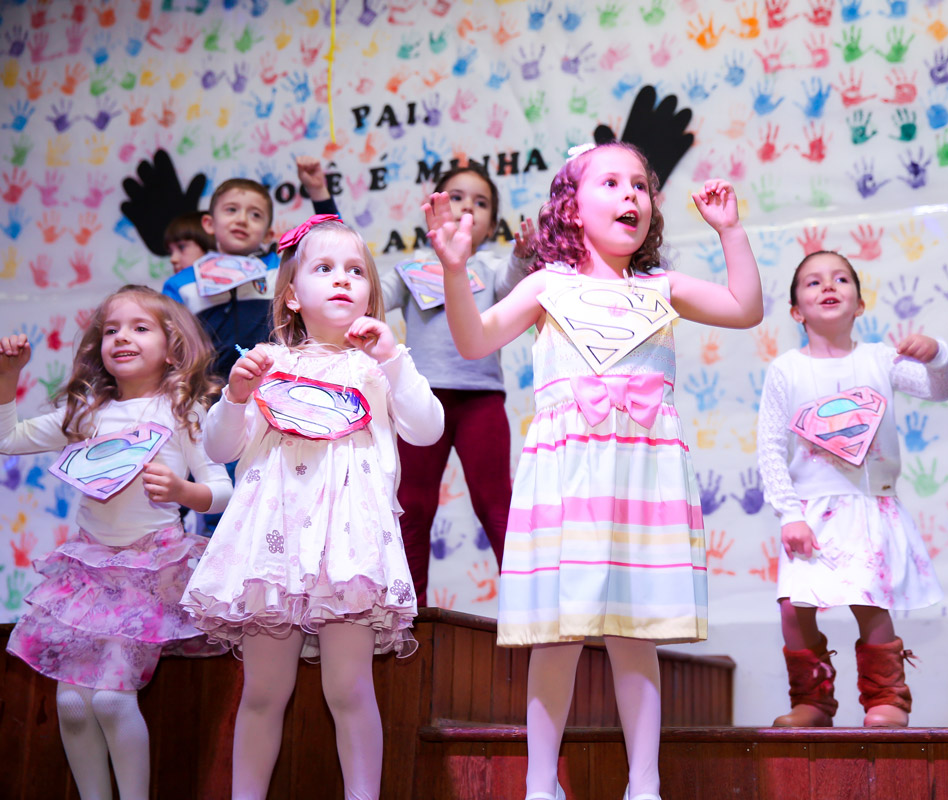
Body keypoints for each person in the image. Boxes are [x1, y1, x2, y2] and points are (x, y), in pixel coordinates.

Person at [425, 141, 763, 800]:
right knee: (559, 637)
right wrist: (455, 270)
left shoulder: (660, 288)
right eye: (610, 182)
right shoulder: (547, 284)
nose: (630, 194)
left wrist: (730, 230)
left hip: (644, 480)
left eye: (639, 184)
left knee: (636, 636)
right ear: (572, 208)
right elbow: (473, 340)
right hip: (570, 481)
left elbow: (744, 308)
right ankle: (540, 784)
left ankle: (644, 784)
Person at [181, 216, 444, 798]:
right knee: (262, 693)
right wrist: (235, 397)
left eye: (355, 271)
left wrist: (395, 358)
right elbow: (219, 449)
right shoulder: (266, 363)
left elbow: (427, 430)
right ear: (293, 296)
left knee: (349, 690)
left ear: (371, 294)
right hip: (272, 548)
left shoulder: (379, 365)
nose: (342, 279)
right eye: (324, 269)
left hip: (348, 548)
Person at [0, 285, 233, 800]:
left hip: (149, 570)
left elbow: (222, 490)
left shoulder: (184, 410)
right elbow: (6, 440)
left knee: (110, 700)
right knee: (71, 705)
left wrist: (183, 492)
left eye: (139, 327)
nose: (122, 337)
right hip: (88, 573)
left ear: (172, 348)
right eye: (111, 330)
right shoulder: (86, 413)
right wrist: (8, 376)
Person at [297, 156, 534, 605]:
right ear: (434, 208)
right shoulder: (410, 268)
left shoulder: (492, 267)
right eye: (456, 197)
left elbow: (513, 286)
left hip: (481, 401)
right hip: (420, 403)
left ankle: (528, 608)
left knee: (496, 503)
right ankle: (411, 612)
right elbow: (360, 282)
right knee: (414, 504)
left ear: (491, 224)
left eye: (481, 202)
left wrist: (524, 255)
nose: (467, 208)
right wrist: (321, 200)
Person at [757, 251, 948, 728]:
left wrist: (938, 355)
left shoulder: (880, 360)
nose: (828, 286)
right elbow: (770, 449)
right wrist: (789, 513)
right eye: (813, 282)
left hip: (867, 504)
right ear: (796, 311)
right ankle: (812, 701)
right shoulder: (786, 369)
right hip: (808, 511)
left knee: (869, 600)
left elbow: (940, 389)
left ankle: (887, 698)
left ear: (860, 304)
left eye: (841, 279)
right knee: (794, 609)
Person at [162, 178, 277, 383]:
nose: (242, 219)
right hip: (208, 390)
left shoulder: (280, 270)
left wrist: (318, 192)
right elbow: (169, 348)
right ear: (209, 224)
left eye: (255, 214)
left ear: (268, 235)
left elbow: (333, 246)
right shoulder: (181, 284)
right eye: (231, 209)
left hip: (274, 384)